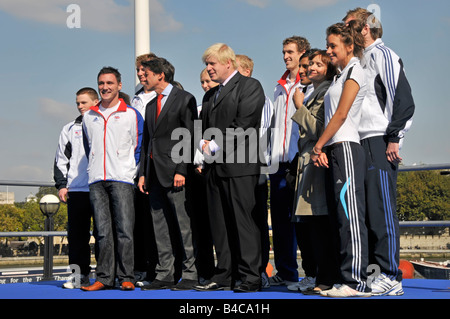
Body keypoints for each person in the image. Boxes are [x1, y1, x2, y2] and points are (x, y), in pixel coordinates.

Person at [343, 8, 415, 296]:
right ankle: (374, 272)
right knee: (365, 213)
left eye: (349, 26)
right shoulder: (357, 61)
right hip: (358, 141)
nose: (344, 30)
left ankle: (391, 275)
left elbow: (403, 99)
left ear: (364, 29)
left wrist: (395, 137)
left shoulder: (383, 54)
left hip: (378, 139)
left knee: (381, 208)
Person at [194, 43, 265, 293]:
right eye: (206, 65)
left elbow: (244, 124)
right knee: (220, 224)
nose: (209, 69)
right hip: (214, 168)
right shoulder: (210, 94)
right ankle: (224, 274)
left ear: (228, 63)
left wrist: (213, 145)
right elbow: (203, 127)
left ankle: (250, 277)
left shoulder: (250, 86)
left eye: (212, 64)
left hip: (240, 166)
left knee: (242, 223)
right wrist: (202, 149)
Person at [311, 22, 370, 297]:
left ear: (349, 46)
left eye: (333, 45)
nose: (328, 50)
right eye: (328, 45)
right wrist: (324, 148)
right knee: (339, 216)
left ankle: (356, 282)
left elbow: (342, 114)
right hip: (334, 149)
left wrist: (318, 145)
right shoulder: (339, 75)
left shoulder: (355, 70)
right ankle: (345, 278)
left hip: (346, 147)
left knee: (350, 216)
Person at [137, 57, 198, 291]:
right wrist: (143, 173)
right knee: (159, 226)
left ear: (160, 75)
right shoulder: (150, 105)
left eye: (147, 73)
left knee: (183, 225)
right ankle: (165, 274)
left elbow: (189, 135)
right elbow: (147, 143)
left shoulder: (185, 99)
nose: (143, 77)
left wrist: (182, 168)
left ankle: (190, 274)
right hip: (153, 176)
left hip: (176, 173)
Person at [81, 66, 144, 291]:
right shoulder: (89, 116)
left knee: (125, 230)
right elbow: (89, 148)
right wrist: (94, 168)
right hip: (97, 179)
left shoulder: (131, 114)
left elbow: (139, 146)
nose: (105, 87)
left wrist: (129, 170)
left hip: (123, 179)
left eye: (109, 83)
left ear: (119, 85)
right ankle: (104, 277)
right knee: (102, 231)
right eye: (101, 83)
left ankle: (126, 276)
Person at [288, 50, 340, 295]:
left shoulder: (326, 90)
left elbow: (319, 127)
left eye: (318, 64)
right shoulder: (315, 90)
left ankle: (326, 277)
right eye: (309, 65)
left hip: (317, 161)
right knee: (313, 225)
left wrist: (299, 107)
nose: (311, 69)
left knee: (320, 222)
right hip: (308, 161)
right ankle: (320, 276)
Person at [269, 36, 312, 287]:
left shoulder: (308, 84)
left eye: (290, 52)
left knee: (304, 220)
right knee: (280, 220)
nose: (286, 56)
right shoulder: (278, 86)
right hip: (278, 161)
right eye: (283, 51)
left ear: (302, 53)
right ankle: (286, 272)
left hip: (300, 160)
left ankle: (311, 273)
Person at [53, 87, 99, 289]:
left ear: (95, 102)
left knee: (104, 235)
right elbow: (60, 159)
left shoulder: (105, 125)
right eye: (78, 103)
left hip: (101, 188)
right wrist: (62, 185)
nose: (80, 106)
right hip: (77, 190)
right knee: (76, 237)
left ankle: (106, 275)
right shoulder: (69, 128)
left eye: (84, 102)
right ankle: (79, 276)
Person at [235, 54, 273, 289]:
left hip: (255, 166)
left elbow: (264, 135)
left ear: (247, 71)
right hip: (236, 166)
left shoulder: (261, 99)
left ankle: (260, 272)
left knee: (256, 219)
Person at [131, 52, 159, 287]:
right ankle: (141, 267)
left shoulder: (167, 95)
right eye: (138, 70)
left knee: (158, 219)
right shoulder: (135, 99)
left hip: (158, 164)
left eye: (144, 70)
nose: (141, 74)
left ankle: (161, 268)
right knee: (139, 220)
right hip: (137, 166)